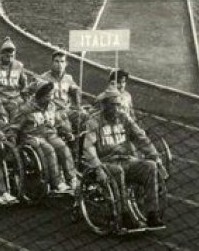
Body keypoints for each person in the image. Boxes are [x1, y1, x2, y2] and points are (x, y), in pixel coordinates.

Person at [82, 88, 167, 229]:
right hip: (107, 161)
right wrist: (97, 168)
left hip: (127, 159)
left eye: (118, 104)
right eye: (112, 105)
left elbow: (141, 138)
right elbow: (88, 147)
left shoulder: (124, 117)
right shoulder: (94, 121)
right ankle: (124, 214)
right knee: (118, 171)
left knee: (150, 166)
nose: (116, 108)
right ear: (104, 106)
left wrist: (155, 156)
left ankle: (152, 213)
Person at [11, 81, 78, 194]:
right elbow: (14, 127)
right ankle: (57, 182)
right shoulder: (26, 109)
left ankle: (72, 179)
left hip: (50, 135)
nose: (50, 98)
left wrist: (66, 132)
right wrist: (12, 142)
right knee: (49, 150)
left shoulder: (52, 106)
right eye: (47, 96)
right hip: (32, 137)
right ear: (39, 96)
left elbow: (57, 123)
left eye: (51, 95)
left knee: (63, 147)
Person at [0, 37, 27, 120]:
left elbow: (24, 83)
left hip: (15, 99)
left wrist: (24, 97)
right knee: (3, 119)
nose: (10, 58)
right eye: (7, 56)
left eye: (12, 56)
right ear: (1, 54)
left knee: (19, 118)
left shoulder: (19, 66)